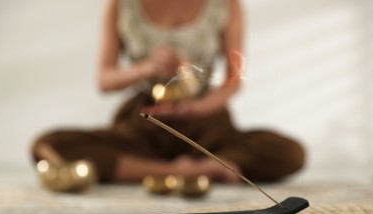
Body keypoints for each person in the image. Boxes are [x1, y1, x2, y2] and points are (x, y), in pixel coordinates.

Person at [32, 0, 305, 189]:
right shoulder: (121, 4)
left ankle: (144, 170)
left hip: (205, 121)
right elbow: (105, 80)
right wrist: (145, 68)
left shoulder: (225, 4)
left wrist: (199, 107)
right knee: (48, 145)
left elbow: (234, 80)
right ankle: (191, 172)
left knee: (289, 153)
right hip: (147, 120)